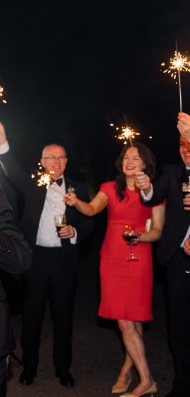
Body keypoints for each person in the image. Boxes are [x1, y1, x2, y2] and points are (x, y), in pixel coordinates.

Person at [0, 118, 94, 388]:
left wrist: (76, 232)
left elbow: (90, 220)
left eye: (61, 157)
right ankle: (30, 367)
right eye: (51, 157)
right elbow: (11, 170)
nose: (56, 161)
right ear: (42, 161)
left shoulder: (77, 188)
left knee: (63, 317)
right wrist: (2, 141)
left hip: (64, 261)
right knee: (32, 316)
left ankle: (63, 369)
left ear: (66, 162)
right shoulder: (32, 183)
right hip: (35, 260)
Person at [66, 143, 163, 396]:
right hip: (111, 259)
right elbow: (92, 209)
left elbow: (157, 231)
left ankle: (142, 378)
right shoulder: (109, 188)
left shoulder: (154, 192)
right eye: (126, 157)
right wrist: (77, 202)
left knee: (132, 318)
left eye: (136, 157)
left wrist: (138, 237)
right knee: (126, 320)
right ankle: (136, 372)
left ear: (146, 164)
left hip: (139, 258)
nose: (129, 160)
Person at [135, 112, 190, 397]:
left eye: (189, 142)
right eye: (181, 143)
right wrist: (146, 188)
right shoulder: (171, 172)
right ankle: (182, 385)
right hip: (178, 260)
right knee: (179, 329)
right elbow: (155, 195)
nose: (185, 148)